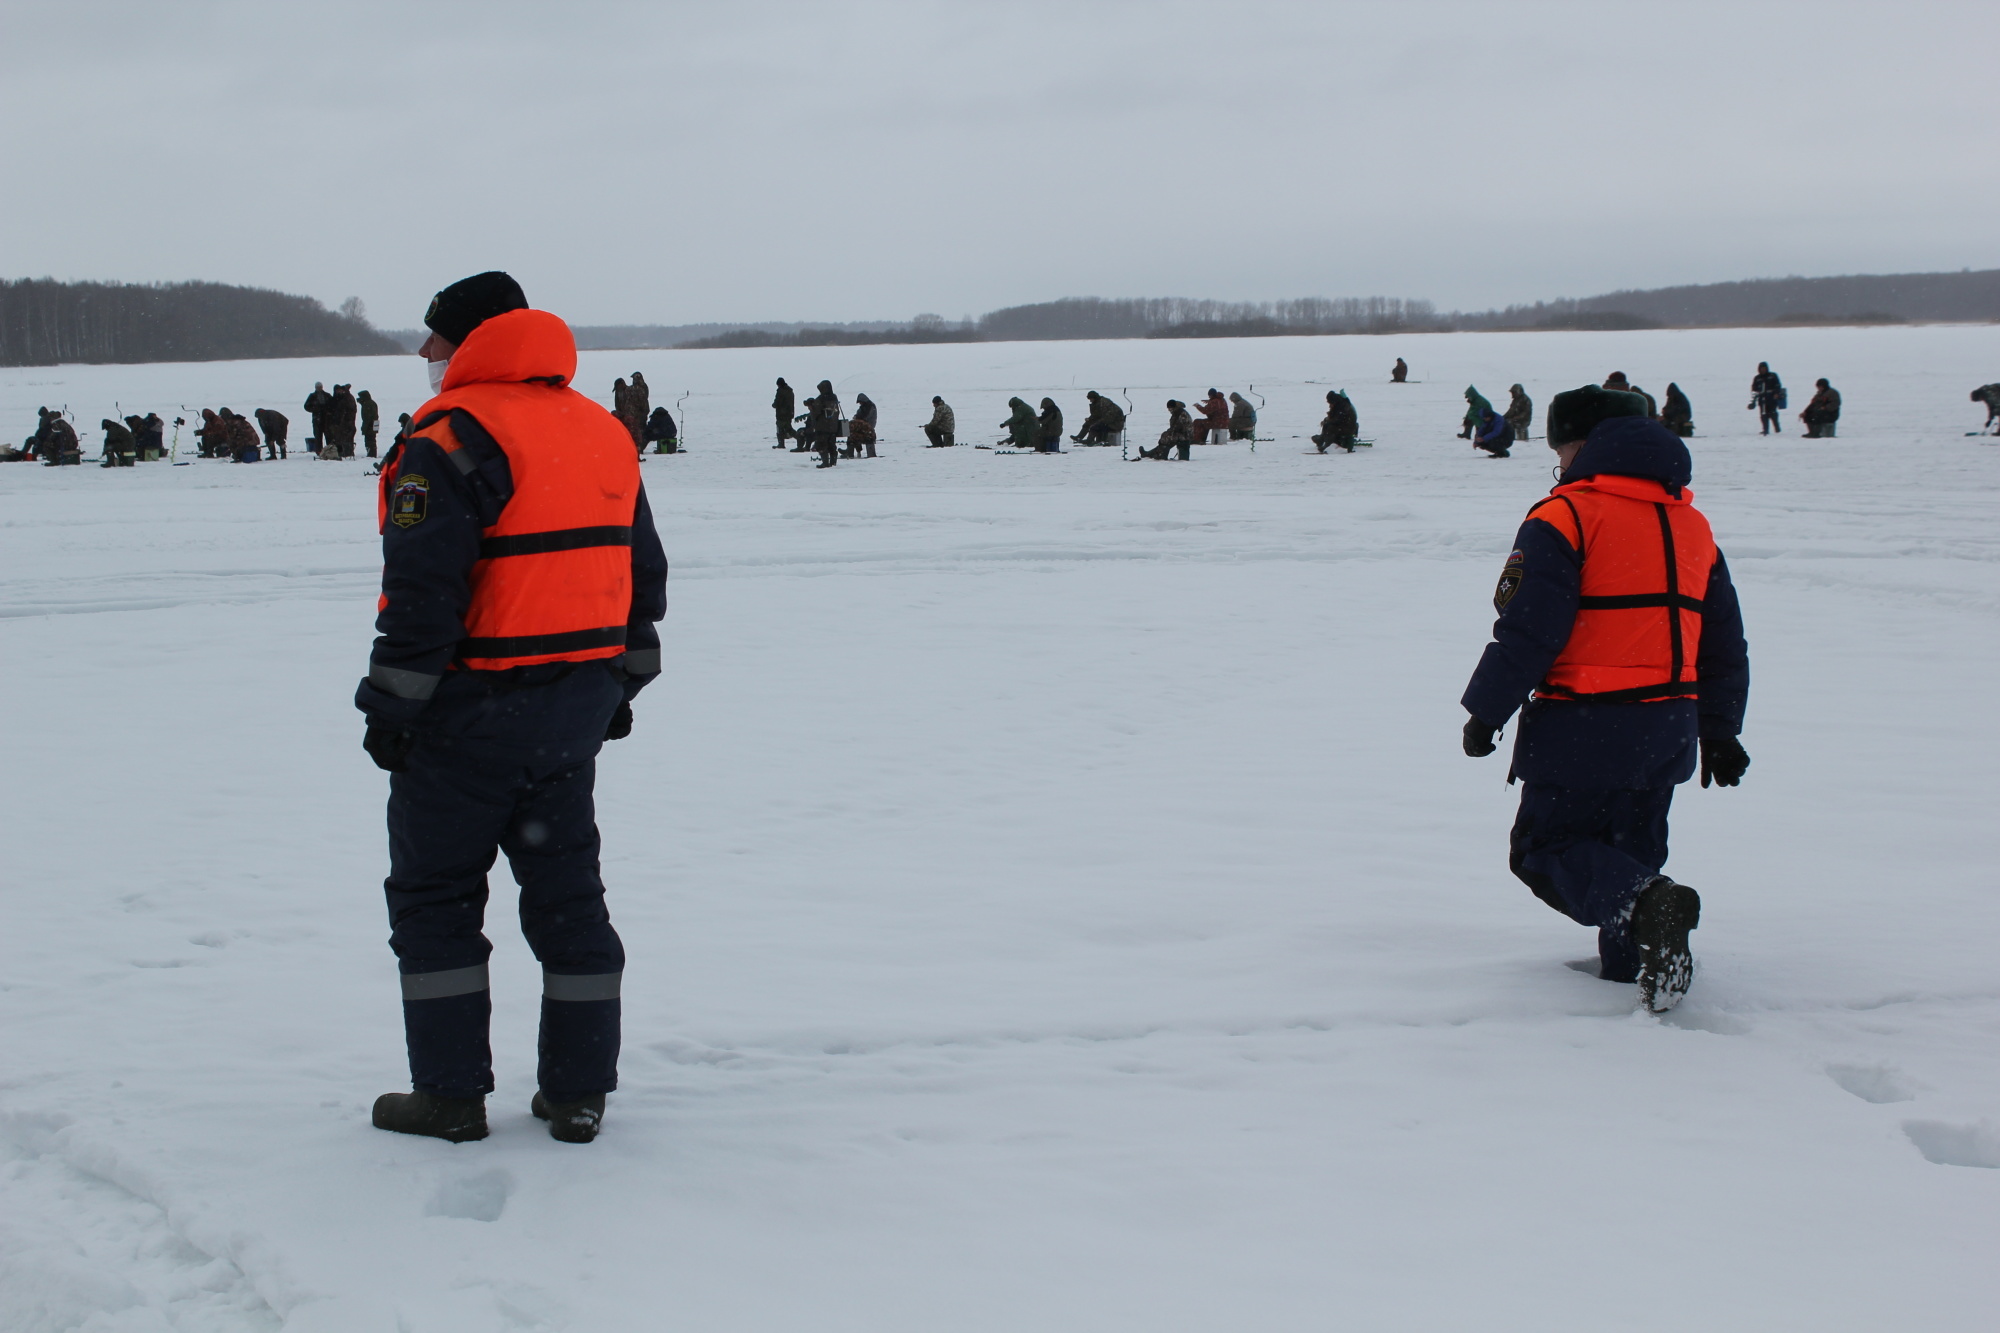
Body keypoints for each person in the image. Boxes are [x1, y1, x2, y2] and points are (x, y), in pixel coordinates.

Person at [357, 270, 667, 1146]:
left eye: (436, 337)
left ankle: (451, 1095)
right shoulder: (600, 430)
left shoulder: (450, 436)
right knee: (568, 899)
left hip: (466, 717)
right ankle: (578, 1092)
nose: (424, 352)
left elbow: (421, 593)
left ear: (474, 339)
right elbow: (639, 573)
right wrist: (619, 685)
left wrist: (392, 706)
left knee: (436, 900)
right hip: (570, 717)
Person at [1460, 384, 1749, 1014]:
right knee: (1630, 852)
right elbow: (1723, 639)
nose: (1559, 465)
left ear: (1586, 444)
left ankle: (1646, 907)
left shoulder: (1563, 516)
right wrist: (1720, 729)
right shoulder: (1692, 525)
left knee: (1546, 851)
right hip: (1668, 725)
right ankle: (1635, 966)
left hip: (1583, 723)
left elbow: (1532, 627)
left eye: (1561, 450)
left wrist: (1486, 710)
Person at [801, 380, 841, 467]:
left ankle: (825, 462)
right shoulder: (834, 398)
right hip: (833, 426)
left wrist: (811, 407)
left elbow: (816, 412)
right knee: (831, 444)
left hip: (822, 426)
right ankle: (833, 462)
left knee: (821, 444)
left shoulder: (821, 398)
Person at [1749, 363, 1784, 435]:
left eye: (1764, 368)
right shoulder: (1757, 378)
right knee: (1763, 415)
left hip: (1771, 398)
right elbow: (1754, 389)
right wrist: (1753, 401)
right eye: (1761, 368)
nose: (1763, 370)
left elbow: (1778, 385)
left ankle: (1777, 429)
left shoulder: (1772, 376)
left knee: (1773, 414)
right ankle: (1765, 430)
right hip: (1762, 399)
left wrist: (1776, 393)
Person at [326, 385, 359, 458]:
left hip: (346, 423)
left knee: (345, 439)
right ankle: (346, 453)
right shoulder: (344, 398)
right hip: (344, 423)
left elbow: (345, 411)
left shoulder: (346, 399)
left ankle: (346, 453)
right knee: (343, 439)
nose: (340, 392)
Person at [303, 382, 333, 455]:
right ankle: (319, 452)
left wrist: (328, 411)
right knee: (318, 437)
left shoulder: (327, 395)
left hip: (327, 420)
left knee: (329, 436)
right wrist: (315, 409)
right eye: (318, 387)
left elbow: (333, 405)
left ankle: (330, 451)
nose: (319, 388)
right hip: (317, 419)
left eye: (320, 386)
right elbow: (306, 406)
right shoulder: (312, 396)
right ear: (315, 387)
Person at [626, 373, 650, 450]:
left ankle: (640, 447)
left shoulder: (642, 387)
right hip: (636, 412)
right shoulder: (632, 388)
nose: (634, 380)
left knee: (640, 429)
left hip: (641, 411)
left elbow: (644, 399)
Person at [772, 378, 797, 449]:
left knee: (780, 428)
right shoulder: (790, 391)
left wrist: (774, 405)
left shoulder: (780, 391)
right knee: (788, 428)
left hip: (781, 414)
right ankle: (799, 438)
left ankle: (781, 444)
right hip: (789, 413)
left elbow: (778, 402)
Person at [358, 390, 381, 457]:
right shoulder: (372, 403)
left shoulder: (367, 404)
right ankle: (372, 453)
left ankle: (371, 454)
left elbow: (367, 418)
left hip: (370, 425)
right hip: (374, 423)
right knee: (372, 439)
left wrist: (364, 427)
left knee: (369, 440)